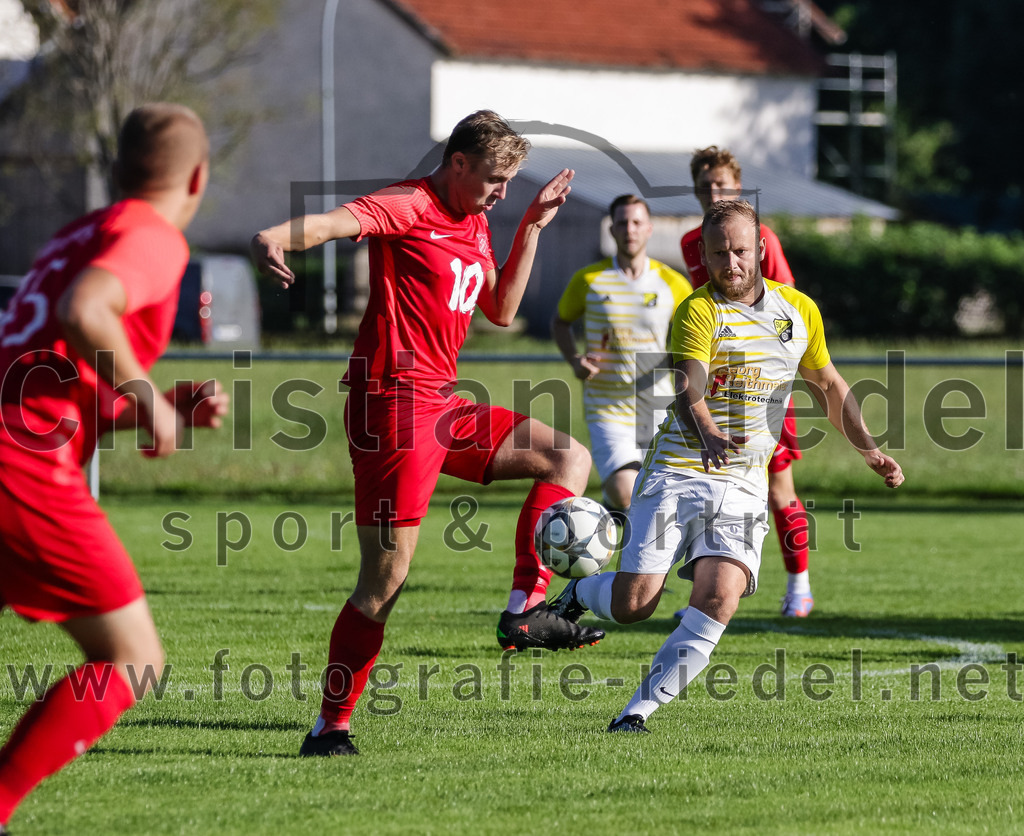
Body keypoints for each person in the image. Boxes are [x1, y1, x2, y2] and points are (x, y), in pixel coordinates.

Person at [250, 110, 603, 758]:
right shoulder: (410, 204)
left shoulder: (476, 220)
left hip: (439, 402)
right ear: (458, 163)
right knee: (385, 579)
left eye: (509, 183)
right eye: (494, 179)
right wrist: (274, 235)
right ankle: (330, 727)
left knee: (566, 457)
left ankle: (524, 613)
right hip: (391, 405)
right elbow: (331, 223)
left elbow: (499, 309)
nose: (502, 192)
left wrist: (530, 227)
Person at [551, 199, 904, 733]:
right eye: (718, 254)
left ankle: (634, 715)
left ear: (759, 249)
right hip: (678, 469)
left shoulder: (798, 311)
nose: (730, 263)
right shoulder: (698, 309)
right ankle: (578, 593)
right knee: (635, 604)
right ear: (705, 255)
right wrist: (710, 432)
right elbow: (687, 386)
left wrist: (869, 449)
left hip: (743, 483)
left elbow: (829, 385)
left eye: (740, 251)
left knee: (719, 598)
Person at [0, 103, 228, 831]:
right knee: (131, 659)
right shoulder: (152, 236)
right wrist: (149, 402)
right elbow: (87, 309)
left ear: (118, 168)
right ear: (198, 177)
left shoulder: (77, 234)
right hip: (19, 463)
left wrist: (158, 406)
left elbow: (53, 379)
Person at [680, 146, 814, 617]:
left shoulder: (763, 239)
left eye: (721, 185)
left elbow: (788, 307)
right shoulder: (690, 242)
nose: (713, 192)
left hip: (762, 389)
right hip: (715, 391)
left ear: (737, 187)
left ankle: (799, 586)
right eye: (705, 186)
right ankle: (704, 595)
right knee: (703, 489)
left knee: (779, 490)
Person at [552, 195, 691, 527]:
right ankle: (612, 502)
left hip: (656, 406)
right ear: (612, 229)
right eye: (622, 223)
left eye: (637, 222)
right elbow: (560, 322)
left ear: (649, 229)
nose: (630, 229)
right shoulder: (589, 280)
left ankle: (635, 554)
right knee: (626, 490)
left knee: (658, 497)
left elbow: (693, 334)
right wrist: (575, 360)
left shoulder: (673, 283)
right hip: (607, 406)